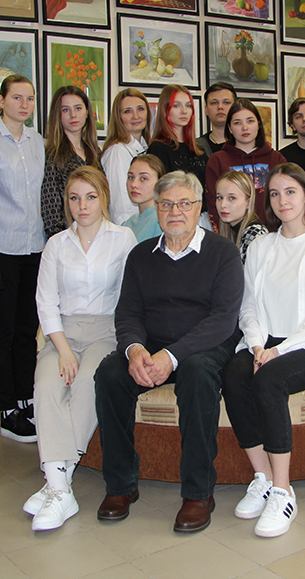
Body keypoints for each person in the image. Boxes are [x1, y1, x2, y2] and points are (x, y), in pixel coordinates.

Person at [94, 171, 243, 534]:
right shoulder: (141, 255)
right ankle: (121, 484)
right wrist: (134, 350)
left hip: (205, 346)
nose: (175, 211)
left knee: (196, 374)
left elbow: (223, 319)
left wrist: (171, 356)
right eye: (166, 204)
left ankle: (198, 493)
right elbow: (127, 313)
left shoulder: (222, 252)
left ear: (198, 208)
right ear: (157, 209)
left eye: (183, 204)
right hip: (153, 344)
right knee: (109, 374)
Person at [222, 163, 305, 538]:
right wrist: (258, 344)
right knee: (234, 375)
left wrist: (280, 351)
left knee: (268, 382)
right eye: (274, 193)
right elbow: (249, 305)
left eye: (290, 191)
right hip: (265, 340)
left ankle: (282, 490)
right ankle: (261, 476)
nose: (282, 200)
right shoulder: (262, 246)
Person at [24, 168, 137, 531]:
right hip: (63, 333)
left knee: (89, 380)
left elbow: (131, 294)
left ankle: (56, 482)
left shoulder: (123, 238)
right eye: (74, 198)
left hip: (106, 330)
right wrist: (63, 349)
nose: (82, 206)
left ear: (103, 198)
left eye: (90, 197)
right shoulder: (56, 244)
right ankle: (61, 489)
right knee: (47, 384)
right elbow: (45, 302)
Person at [0, 75, 46, 443]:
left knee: (27, 328)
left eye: (29, 99)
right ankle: (6, 408)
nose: (24, 105)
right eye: (16, 97)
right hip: (2, 247)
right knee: (2, 329)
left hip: (35, 246)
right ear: (1, 100)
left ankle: (26, 398)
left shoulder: (38, 141)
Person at [205, 99, 285, 230]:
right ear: (229, 128)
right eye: (237, 123)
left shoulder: (276, 159)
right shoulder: (217, 160)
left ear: (259, 124)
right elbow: (213, 204)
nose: (245, 127)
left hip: (272, 234)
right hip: (231, 235)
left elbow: (284, 199)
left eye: (250, 121)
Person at [41, 85, 101, 238]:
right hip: (67, 238)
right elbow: (51, 211)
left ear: (87, 112)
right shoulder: (52, 155)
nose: (73, 115)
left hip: (96, 234)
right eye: (65, 110)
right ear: (57, 115)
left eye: (78, 108)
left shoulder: (95, 152)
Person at [147, 85, 209, 218]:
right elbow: (160, 192)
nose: (184, 111)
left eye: (188, 105)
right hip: (175, 216)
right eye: (176, 105)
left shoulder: (199, 149)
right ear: (165, 109)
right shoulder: (158, 149)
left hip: (202, 217)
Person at [101, 88, 150, 225]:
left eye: (140, 109)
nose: (136, 116)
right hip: (130, 230)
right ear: (119, 117)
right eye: (128, 111)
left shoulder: (145, 148)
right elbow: (120, 209)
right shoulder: (117, 151)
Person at [214, 170, 268, 263]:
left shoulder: (254, 234)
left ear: (248, 202)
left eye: (232, 198)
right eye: (219, 197)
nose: (222, 205)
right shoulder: (232, 231)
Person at [121, 153, 165, 242]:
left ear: (159, 183)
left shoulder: (162, 220)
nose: (134, 184)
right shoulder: (128, 223)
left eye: (143, 178)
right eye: (131, 177)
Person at [196, 82, 237, 156]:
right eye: (214, 103)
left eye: (226, 102)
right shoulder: (196, 148)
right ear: (206, 110)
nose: (220, 107)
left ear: (235, 108)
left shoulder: (246, 145)